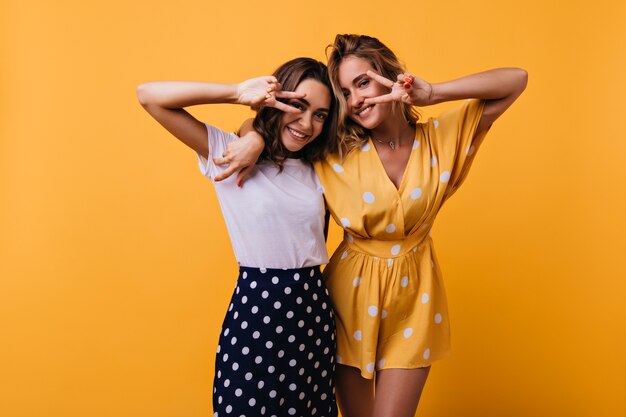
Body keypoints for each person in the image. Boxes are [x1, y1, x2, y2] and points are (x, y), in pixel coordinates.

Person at [221, 34, 528, 417]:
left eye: (362, 82)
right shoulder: (335, 148)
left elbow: (515, 80)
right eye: (346, 94)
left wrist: (431, 93)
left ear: (389, 75)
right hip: (347, 299)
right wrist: (252, 137)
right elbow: (280, 124)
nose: (357, 99)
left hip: (416, 296)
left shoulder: (440, 139)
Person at [136, 57, 340, 417]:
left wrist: (258, 134)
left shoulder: (321, 166)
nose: (307, 124)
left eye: (320, 114)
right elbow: (149, 96)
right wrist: (236, 96)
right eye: (298, 105)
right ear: (274, 99)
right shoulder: (230, 154)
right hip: (256, 314)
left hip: (313, 314)